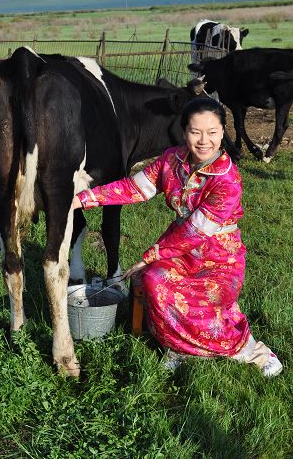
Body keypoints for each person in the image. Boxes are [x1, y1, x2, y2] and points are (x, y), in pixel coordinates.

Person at [73, 97, 282, 377]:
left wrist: (150, 256)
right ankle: (178, 347)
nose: (204, 140)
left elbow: (195, 231)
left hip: (220, 259)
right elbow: (133, 189)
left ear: (222, 132)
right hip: (179, 252)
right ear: (184, 132)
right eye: (195, 132)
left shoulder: (227, 179)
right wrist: (82, 199)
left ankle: (247, 350)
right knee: (154, 281)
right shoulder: (172, 161)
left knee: (195, 300)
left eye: (212, 132)